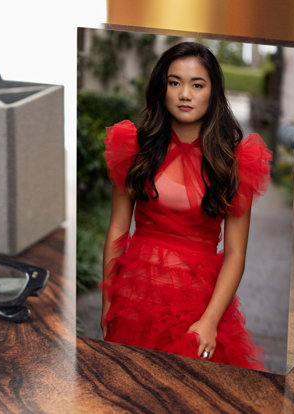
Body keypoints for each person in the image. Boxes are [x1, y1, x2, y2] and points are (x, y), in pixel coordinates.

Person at [99, 41, 272, 370]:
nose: (184, 94)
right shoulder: (133, 148)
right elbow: (118, 228)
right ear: (162, 88)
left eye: (197, 85)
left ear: (213, 93)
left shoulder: (235, 163)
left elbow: (236, 254)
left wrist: (209, 321)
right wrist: (108, 301)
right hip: (135, 299)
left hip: (198, 308)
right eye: (174, 82)